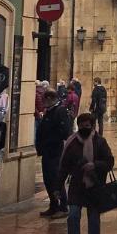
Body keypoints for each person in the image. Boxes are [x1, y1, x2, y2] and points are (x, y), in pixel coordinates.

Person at [59, 112, 114, 234]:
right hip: (77, 186)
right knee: (73, 217)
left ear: (92, 126)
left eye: (87, 125)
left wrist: (95, 165)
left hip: (95, 187)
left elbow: (109, 162)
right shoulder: (71, 143)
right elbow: (63, 166)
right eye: (81, 125)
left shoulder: (100, 142)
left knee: (94, 222)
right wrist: (58, 186)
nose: (84, 128)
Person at [35, 88, 71, 218]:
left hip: (55, 151)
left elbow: (65, 131)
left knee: (56, 179)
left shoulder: (59, 111)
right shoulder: (49, 112)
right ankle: (53, 204)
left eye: (44, 99)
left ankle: (63, 205)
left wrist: (51, 140)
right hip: (47, 151)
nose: (43, 102)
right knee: (48, 179)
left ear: (50, 99)